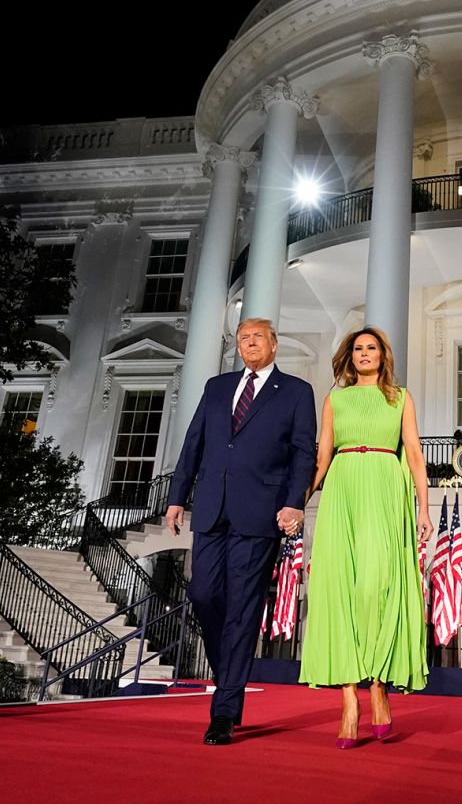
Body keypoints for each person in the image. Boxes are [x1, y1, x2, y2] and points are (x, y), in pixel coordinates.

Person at [165, 317, 315, 746]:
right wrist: (178, 496)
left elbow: (303, 451)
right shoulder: (217, 386)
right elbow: (195, 441)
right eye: (243, 338)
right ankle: (228, 669)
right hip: (212, 507)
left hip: (260, 513)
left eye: (257, 337)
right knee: (203, 594)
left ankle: (224, 711)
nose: (249, 343)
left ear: (274, 344)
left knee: (242, 611)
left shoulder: (295, 392)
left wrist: (294, 502)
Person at [298, 327, 431, 748]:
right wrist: (296, 502)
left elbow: (413, 452)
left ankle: (378, 686)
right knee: (340, 589)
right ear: (349, 357)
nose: (364, 354)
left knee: (377, 586)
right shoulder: (335, 398)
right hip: (342, 490)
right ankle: (349, 702)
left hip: (386, 488)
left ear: (383, 355)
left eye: (371, 348)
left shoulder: (400, 397)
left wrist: (423, 508)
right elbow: (322, 456)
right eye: (358, 348)